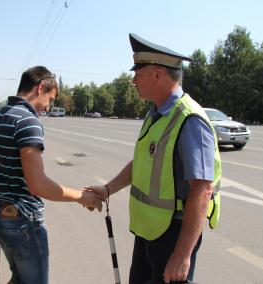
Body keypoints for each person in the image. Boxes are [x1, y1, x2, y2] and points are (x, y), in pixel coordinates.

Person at [86, 33, 222, 284]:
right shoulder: (156, 113)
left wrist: (182, 255)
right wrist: (107, 189)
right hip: (149, 232)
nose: (133, 80)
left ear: (158, 74)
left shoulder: (190, 120)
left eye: (138, 72)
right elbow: (143, 163)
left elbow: (202, 191)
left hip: (173, 237)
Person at [0, 66, 102, 284]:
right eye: (50, 99)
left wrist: (6, 197)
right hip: (23, 221)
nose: (48, 107)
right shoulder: (28, 122)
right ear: (40, 88)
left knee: (20, 278)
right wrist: (81, 197)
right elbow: (37, 185)